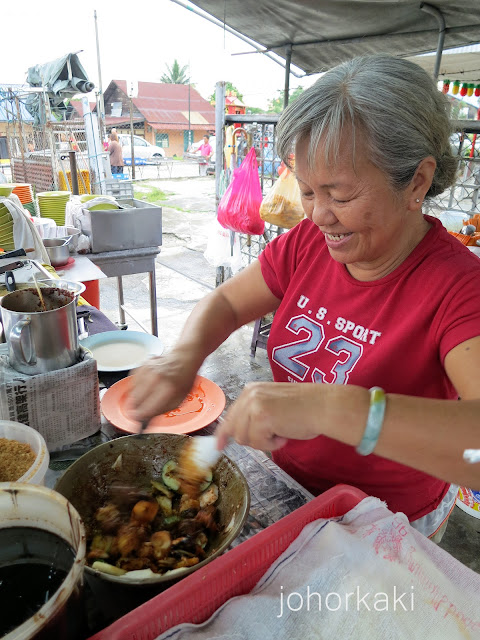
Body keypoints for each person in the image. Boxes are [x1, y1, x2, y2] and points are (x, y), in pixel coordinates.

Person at [132, 54, 480, 542]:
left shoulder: (460, 288)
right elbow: (229, 304)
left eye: (339, 196)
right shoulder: (308, 244)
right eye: (308, 191)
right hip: (289, 490)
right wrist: (182, 358)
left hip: (385, 524)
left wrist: (335, 410)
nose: (318, 215)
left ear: (416, 183)